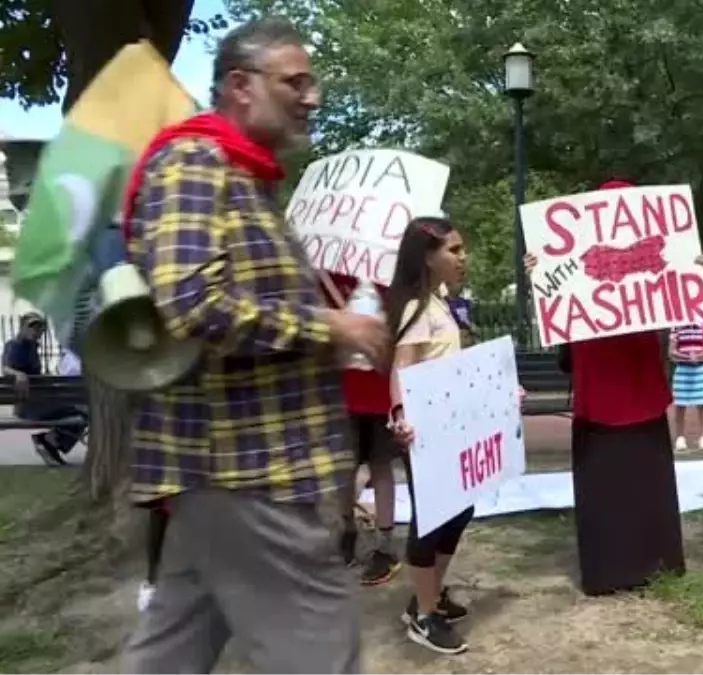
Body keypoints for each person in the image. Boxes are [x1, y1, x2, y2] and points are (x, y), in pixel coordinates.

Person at [119, 18, 387, 674]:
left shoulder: (249, 182)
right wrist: (331, 328)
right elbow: (190, 302)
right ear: (240, 85)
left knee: (170, 654)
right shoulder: (195, 162)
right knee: (321, 654)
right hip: (251, 475)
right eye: (295, 81)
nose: (311, 96)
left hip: (230, 475)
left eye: (311, 82)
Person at [523, 178, 687, 597]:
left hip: (625, 387)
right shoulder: (579, 269)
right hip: (614, 390)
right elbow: (560, 319)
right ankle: (638, 565)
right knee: (629, 486)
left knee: (621, 488)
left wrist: (690, 265)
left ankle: (623, 566)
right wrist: (541, 277)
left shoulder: (653, 266)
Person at [386, 216, 474, 655]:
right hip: (426, 433)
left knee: (460, 509)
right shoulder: (415, 309)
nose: (463, 258)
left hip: (451, 429)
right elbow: (402, 365)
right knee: (433, 518)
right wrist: (400, 414)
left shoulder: (439, 303)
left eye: (461, 250)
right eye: (454, 250)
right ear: (427, 257)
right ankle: (424, 616)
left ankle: (428, 597)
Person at [326, 275, 403, 586]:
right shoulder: (334, 279)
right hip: (344, 386)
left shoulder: (391, 283)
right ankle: (347, 530)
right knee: (344, 467)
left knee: (381, 465)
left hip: (380, 385)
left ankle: (385, 543)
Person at [3, 312, 87, 466]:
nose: (36, 331)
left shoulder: (31, 347)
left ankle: (49, 441)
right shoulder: (15, 345)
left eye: (39, 328)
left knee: (81, 413)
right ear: (22, 327)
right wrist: (18, 374)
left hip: (37, 403)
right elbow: (6, 367)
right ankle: (49, 441)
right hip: (30, 408)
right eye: (32, 327)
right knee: (82, 413)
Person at [669, 322, 703, 451]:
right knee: (680, 405)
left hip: (699, 369)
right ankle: (680, 437)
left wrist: (698, 355)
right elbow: (671, 351)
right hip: (682, 369)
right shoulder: (676, 326)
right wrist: (687, 357)